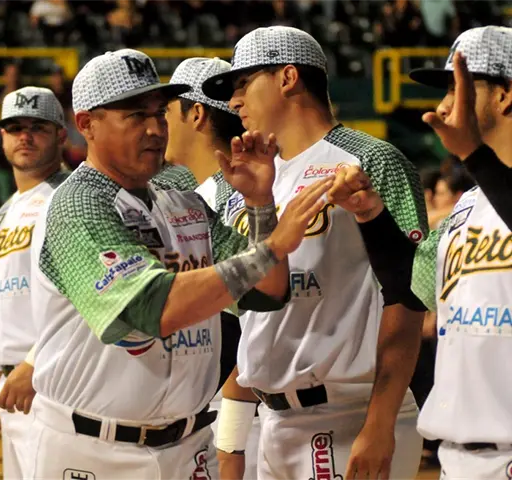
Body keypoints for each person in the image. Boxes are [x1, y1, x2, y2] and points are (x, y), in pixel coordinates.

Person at [23, 47, 334, 479]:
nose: (155, 129)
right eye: (136, 115)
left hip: (188, 448)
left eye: (158, 113)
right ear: (86, 124)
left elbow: (268, 290)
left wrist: (261, 204)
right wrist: (271, 247)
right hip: (94, 450)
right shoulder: (77, 204)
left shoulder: (184, 204)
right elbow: (150, 308)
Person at [202, 26, 427, 479]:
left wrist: (380, 422)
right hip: (273, 419)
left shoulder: (371, 159)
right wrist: (233, 433)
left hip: (349, 413)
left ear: (288, 77)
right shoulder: (254, 178)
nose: (234, 102)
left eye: (243, 83)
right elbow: (248, 319)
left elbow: (409, 296)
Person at [328, 26, 512, 479]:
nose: (445, 105)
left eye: (458, 88)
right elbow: (410, 287)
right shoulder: (469, 204)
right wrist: (371, 214)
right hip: (460, 458)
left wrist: (474, 154)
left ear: (505, 95)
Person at [165, 56, 260, 480]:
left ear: (196, 114)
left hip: (237, 410)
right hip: (195, 403)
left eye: (167, 109)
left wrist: (232, 435)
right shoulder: (182, 192)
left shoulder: (237, 196)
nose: (159, 122)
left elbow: (257, 319)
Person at [0, 87, 69, 479]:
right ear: (2, 137)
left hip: (51, 377)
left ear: (61, 135)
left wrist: (33, 365)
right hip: (12, 379)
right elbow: (2, 301)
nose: (25, 137)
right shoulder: (6, 210)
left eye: (37, 127)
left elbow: (78, 300)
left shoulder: (69, 196)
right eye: (15, 128)